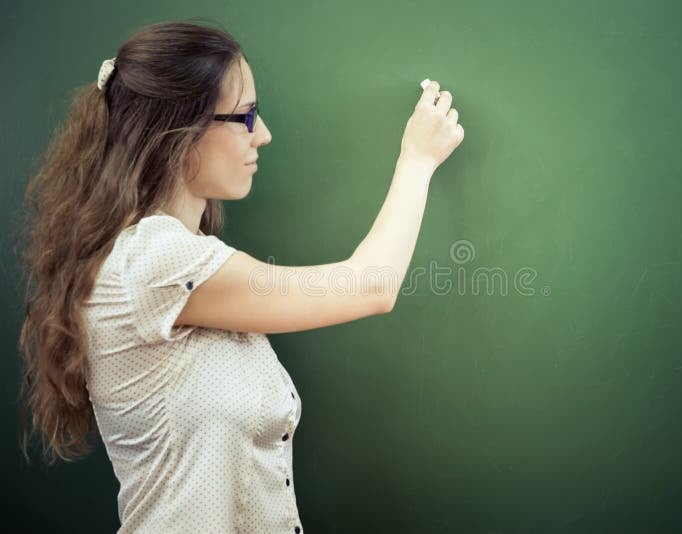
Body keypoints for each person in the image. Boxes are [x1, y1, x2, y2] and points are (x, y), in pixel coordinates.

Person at [15, 18, 463, 533]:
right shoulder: (155, 261)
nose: (263, 134)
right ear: (178, 131)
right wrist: (418, 159)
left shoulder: (176, 258)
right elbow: (371, 285)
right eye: (246, 116)